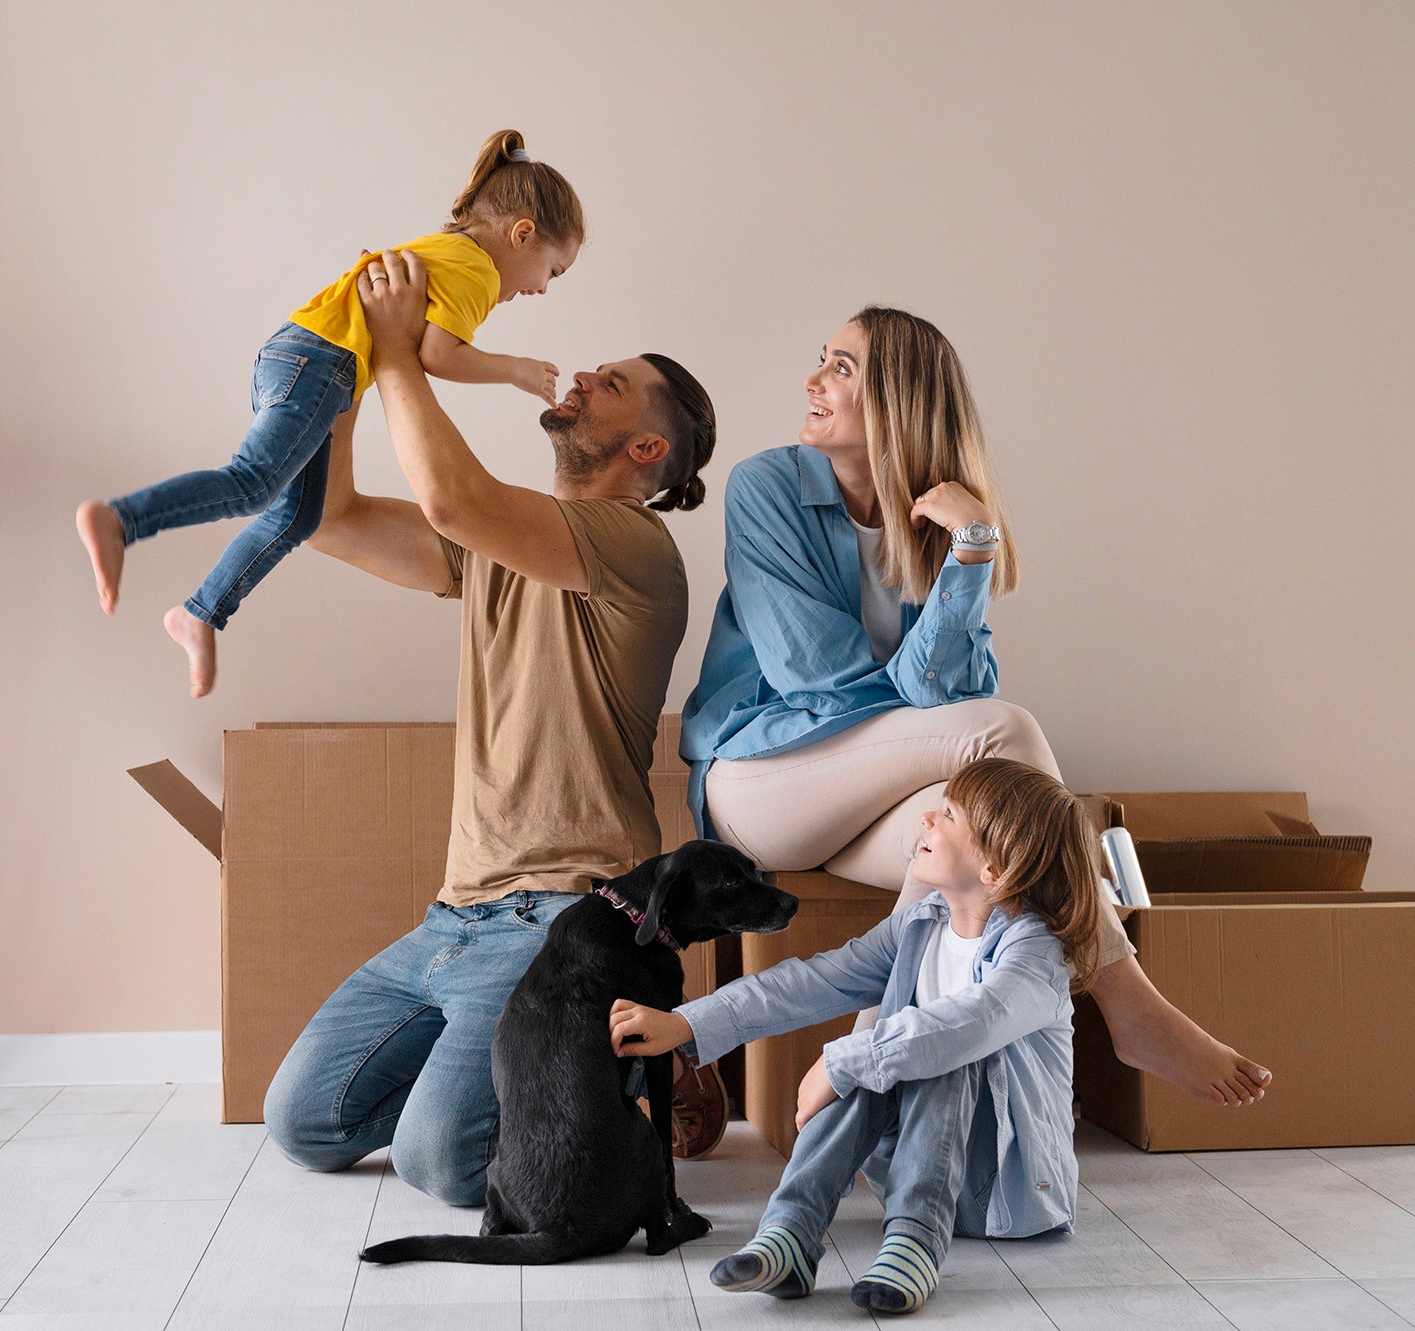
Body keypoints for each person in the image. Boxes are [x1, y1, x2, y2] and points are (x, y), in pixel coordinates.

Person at [680, 306, 1269, 1107]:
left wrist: (969, 550)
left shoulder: (947, 518)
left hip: (872, 801)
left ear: (900, 402)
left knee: (968, 832)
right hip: (763, 778)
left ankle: (859, 1080)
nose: (812, 382)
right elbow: (815, 677)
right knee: (1006, 733)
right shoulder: (766, 487)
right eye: (822, 361)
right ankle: (1128, 1000)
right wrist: (928, 681)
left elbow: (945, 693)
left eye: (842, 368)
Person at [262, 246, 718, 1205]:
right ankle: (589, 1071)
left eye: (617, 385)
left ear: (646, 451)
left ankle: (625, 1064)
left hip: (568, 918)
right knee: (303, 1122)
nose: (585, 375)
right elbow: (329, 516)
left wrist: (398, 348)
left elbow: (451, 498)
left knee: (443, 1165)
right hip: (456, 914)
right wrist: (341, 369)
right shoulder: (494, 549)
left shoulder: (638, 547)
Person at [75, 129, 582, 698]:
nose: (542, 290)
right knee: (253, 483)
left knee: (297, 518)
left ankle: (200, 612)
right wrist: (514, 369)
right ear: (522, 235)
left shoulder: (453, 249)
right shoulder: (480, 272)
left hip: (310, 360)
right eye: (553, 272)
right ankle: (124, 520)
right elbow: (438, 356)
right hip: (317, 361)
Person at [611, 759, 1101, 1314]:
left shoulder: (1035, 954)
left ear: (992, 867)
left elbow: (970, 1024)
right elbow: (818, 980)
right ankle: (791, 1233)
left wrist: (839, 1061)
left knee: (926, 1048)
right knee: (886, 1051)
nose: (926, 818)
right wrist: (687, 1023)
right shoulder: (922, 921)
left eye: (946, 815)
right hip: (916, 1176)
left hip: (1002, 1196)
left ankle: (916, 1244)